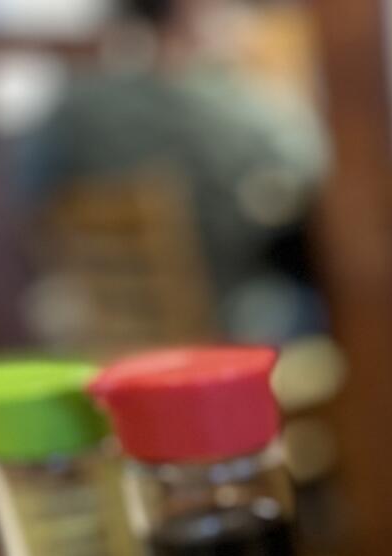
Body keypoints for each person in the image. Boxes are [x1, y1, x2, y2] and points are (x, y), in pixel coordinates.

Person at [19, 0, 329, 340]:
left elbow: (27, 195)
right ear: (192, 11)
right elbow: (312, 168)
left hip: (108, 325)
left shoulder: (74, 104)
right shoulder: (226, 106)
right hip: (228, 319)